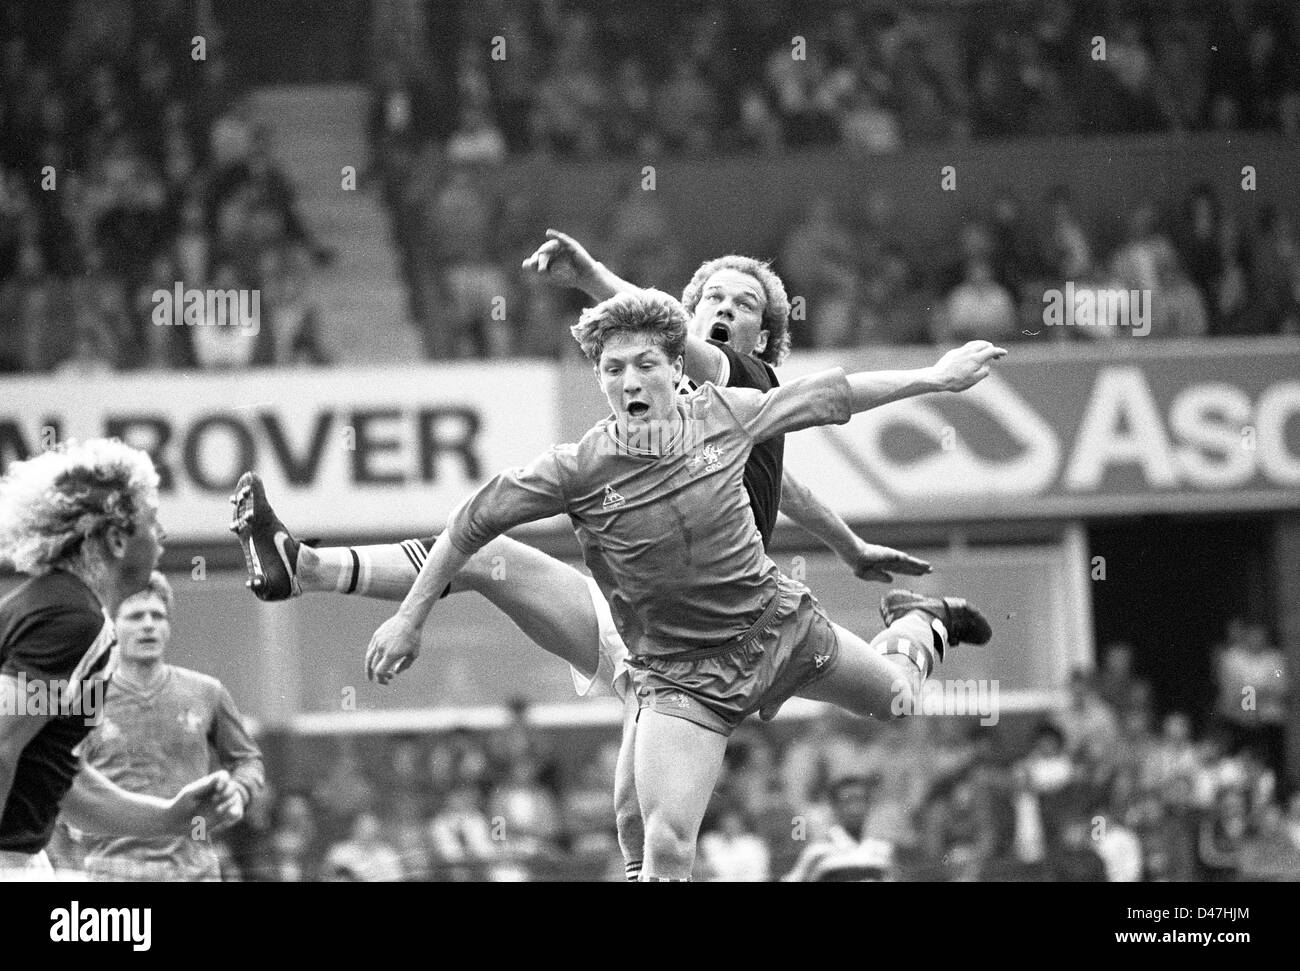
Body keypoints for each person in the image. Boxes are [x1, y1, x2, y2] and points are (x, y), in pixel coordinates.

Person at [231, 238, 933, 880]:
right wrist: (853, 546)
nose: (724, 308)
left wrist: (590, 276)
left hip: (739, 631)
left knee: (875, 711)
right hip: (644, 635)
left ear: (766, 338)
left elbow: (789, 422)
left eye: (742, 303)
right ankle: (309, 567)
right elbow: (792, 490)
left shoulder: (744, 389)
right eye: (712, 297)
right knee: (491, 560)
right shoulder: (626, 433)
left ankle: (921, 629)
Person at [364, 288, 1003, 879]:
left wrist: (934, 377)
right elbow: (468, 523)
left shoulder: (724, 414)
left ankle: (923, 619)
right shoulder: (577, 469)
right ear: (599, 380)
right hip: (683, 679)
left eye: (644, 364)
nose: (629, 381)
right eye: (613, 370)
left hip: (777, 628)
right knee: (664, 844)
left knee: (896, 699)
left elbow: (833, 394)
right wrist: (409, 617)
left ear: (676, 367)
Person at [0, 439, 241, 876]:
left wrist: (171, 817)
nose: (162, 535)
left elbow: (62, 784)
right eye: (152, 520)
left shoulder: (73, 616)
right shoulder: (70, 621)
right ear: (115, 538)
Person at [72, 570, 265, 880]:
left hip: (195, 871)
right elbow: (58, 780)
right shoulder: (84, 699)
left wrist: (239, 791)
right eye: (135, 616)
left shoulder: (206, 691)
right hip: (113, 874)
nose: (148, 624)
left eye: (157, 616)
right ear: (111, 627)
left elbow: (247, 760)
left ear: (168, 627)